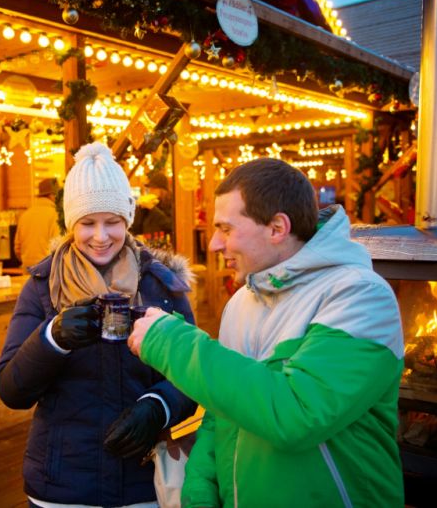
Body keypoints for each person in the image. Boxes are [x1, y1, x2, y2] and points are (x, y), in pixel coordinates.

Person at [128, 158, 405, 507]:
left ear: (277, 228)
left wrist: (169, 342)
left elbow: (296, 413)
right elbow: (221, 413)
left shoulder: (360, 295)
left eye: (226, 229)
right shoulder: (241, 301)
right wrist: (199, 491)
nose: (214, 243)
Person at [0, 142, 196, 508]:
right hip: (63, 485)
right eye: (87, 223)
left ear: (128, 220)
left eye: (112, 222)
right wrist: (51, 338)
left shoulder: (159, 285)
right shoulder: (43, 287)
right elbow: (11, 390)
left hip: (144, 482)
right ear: (72, 224)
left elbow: (193, 372)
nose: (100, 236)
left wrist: (158, 406)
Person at [14, 178, 62, 269]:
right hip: (47, 272)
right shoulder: (56, 215)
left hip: (27, 270)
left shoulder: (25, 215)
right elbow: (58, 246)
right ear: (52, 196)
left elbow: (17, 249)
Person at [131, 172, 173, 238]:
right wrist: (140, 209)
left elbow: (170, 225)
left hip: (164, 243)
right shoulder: (148, 204)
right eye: (150, 188)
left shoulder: (170, 203)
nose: (150, 191)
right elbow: (135, 229)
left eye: (153, 188)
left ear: (162, 190)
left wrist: (153, 208)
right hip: (148, 243)